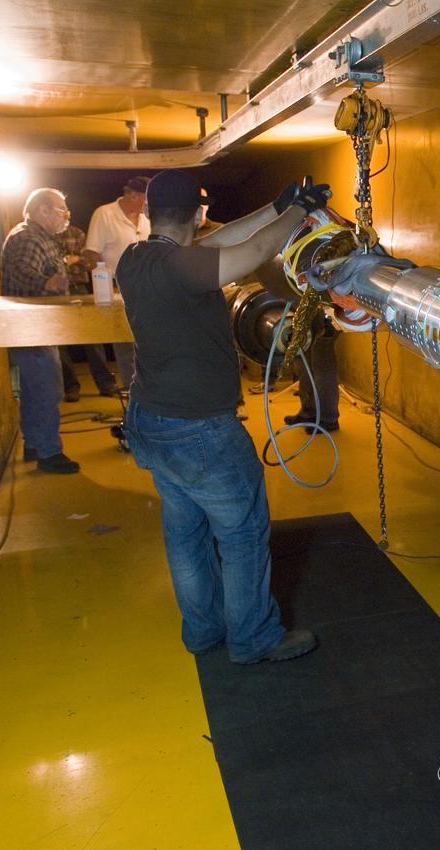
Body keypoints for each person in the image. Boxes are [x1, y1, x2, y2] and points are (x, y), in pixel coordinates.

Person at [119, 170, 331, 664]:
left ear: (152, 215)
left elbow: (222, 241)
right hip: (201, 432)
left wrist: (277, 207)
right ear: (198, 213)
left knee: (185, 530)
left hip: (153, 421)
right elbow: (253, 253)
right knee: (241, 536)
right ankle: (254, 638)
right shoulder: (181, 269)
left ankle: (202, 630)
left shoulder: (136, 259)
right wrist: (301, 214)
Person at [0, 188, 81, 473]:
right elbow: (22, 275)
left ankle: (34, 443)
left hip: (35, 329)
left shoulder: (38, 236)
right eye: (61, 211)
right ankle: (49, 453)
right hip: (33, 328)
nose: (66, 217)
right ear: (43, 211)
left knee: (36, 389)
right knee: (47, 389)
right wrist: (51, 284)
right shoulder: (28, 238)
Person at [83, 176, 151, 390]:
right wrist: (105, 288)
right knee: (125, 345)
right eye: (146, 199)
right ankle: (134, 394)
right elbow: (91, 253)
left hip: (146, 288)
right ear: (132, 195)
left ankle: (149, 391)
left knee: (147, 344)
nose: (148, 205)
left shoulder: (147, 218)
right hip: (115, 287)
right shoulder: (104, 214)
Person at [55, 220, 121, 400]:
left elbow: (89, 262)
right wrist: (66, 262)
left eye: (65, 212)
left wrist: (73, 262)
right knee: (60, 340)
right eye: (60, 212)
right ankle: (71, 387)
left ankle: (106, 383)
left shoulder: (77, 233)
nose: (64, 216)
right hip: (56, 293)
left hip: (79, 288)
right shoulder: (44, 237)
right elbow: (53, 268)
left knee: (92, 337)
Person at [284, 324, 341, 431]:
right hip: (309, 317)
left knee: (322, 358)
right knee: (305, 359)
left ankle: (329, 419)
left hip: (327, 316)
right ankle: (309, 413)